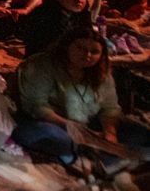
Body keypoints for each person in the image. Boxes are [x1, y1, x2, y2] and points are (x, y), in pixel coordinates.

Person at [12, 26, 147, 171]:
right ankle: (90, 156)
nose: (87, 55)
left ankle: (101, 152)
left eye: (94, 52)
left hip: (89, 123)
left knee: (142, 133)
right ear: (67, 46)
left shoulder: (101, 72)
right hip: (49, 123)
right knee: (55, 139)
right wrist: (81, 132)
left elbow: (110, 108)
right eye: (80, 48)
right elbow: (37, 106)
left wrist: (109, 133)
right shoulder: (42, 65)